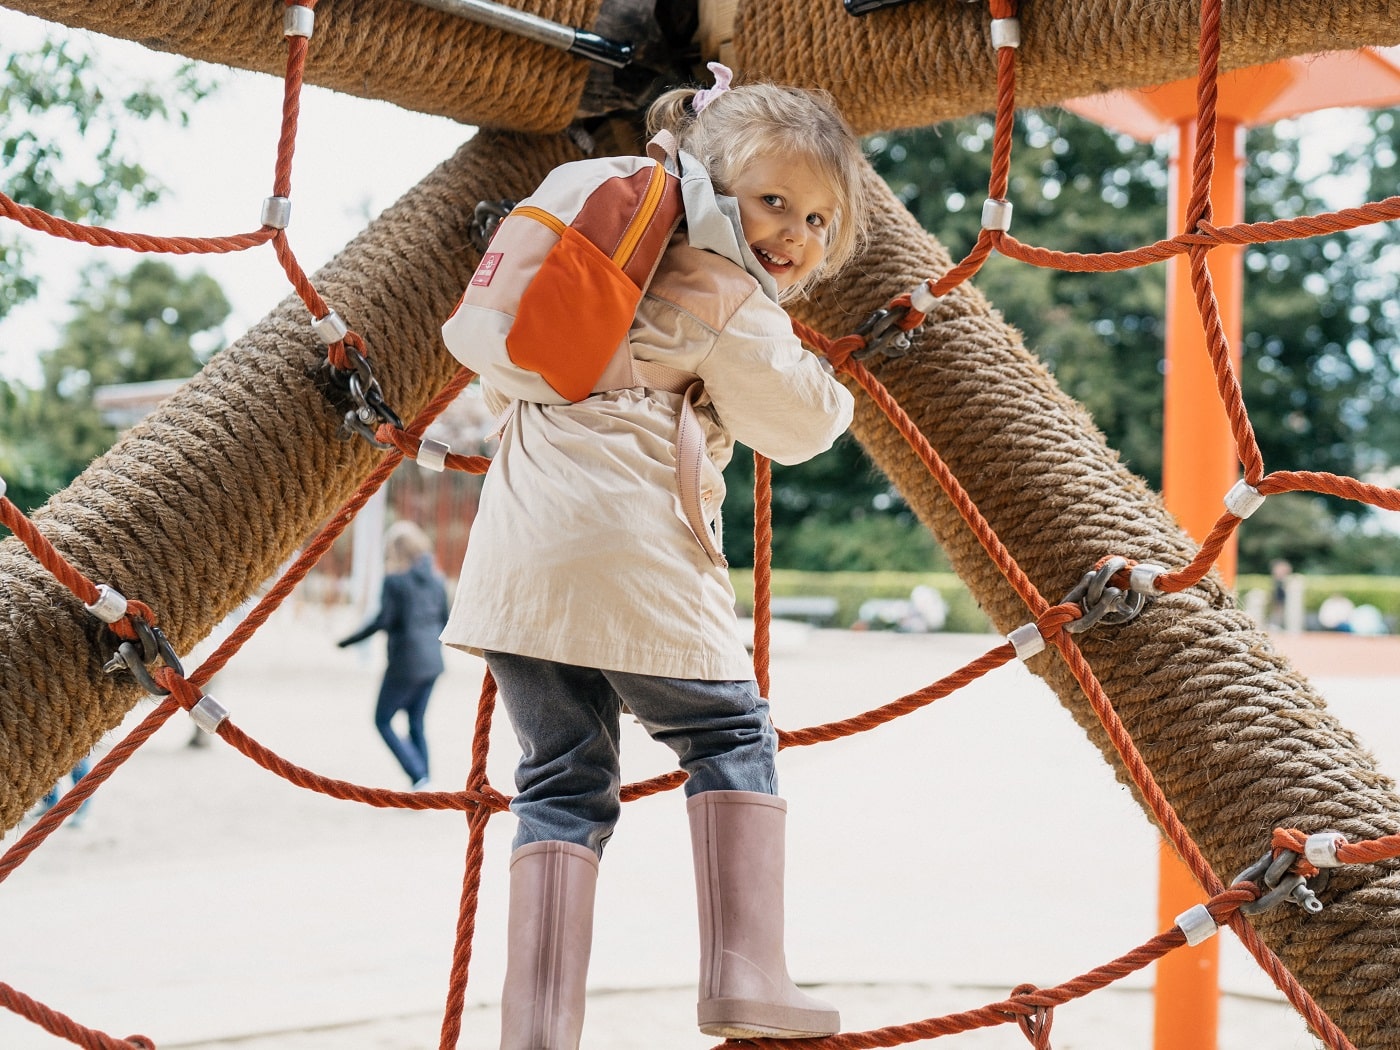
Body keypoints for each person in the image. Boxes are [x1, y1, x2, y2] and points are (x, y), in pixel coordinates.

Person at [441, 63, 867, 1047]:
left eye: (817, 220)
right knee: (729, 735)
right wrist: (826, 382)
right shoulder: (720, 287)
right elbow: (801, 423)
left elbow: (512, 380)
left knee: (559, 778)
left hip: (518, 566)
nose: (794, 235)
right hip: (629, 553)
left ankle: (536, 1030)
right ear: (711, 182)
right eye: (773, 202)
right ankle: (745, 974)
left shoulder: (592, 265)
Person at [338, 521, 450, 789]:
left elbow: (383, 621)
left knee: (382, 719)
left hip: (405, 663)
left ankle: (418, 775)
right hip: (433, 663)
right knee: (416, 722)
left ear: (396, 551)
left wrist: (348, 640)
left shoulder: (395, 582)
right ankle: (424, 783)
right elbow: (445, 621)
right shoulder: (437, 581)